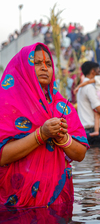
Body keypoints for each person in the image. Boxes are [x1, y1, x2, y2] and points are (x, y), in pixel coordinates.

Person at [0, 43, 88, 207]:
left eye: (48, 64)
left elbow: (80, 154)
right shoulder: (6, 106)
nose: (44, 68)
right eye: (37, 63)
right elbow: (2, 156)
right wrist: (41, 134)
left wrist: (63, 138)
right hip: (17, 201)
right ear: (22, 68)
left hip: (57, 198)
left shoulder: (62, 107)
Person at [76, 62, 100, 148]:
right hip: (94, 132)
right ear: (93, 71)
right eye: (98, 71)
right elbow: (99, 109)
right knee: (99, 159)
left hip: (87, 130)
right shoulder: (90, 87)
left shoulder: (82, 87)